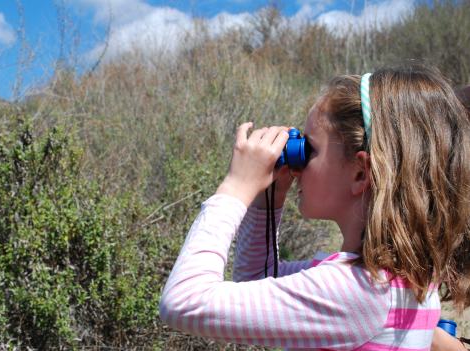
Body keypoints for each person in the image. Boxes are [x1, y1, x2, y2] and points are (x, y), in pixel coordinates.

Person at [159, 65, 470, 350]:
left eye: (310, 149)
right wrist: (266, 204)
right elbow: (256, 281)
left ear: (361, 173)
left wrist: (235, 188)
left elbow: (183, 302)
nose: (297, 167)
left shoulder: (356, 292)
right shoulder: (408, 279)